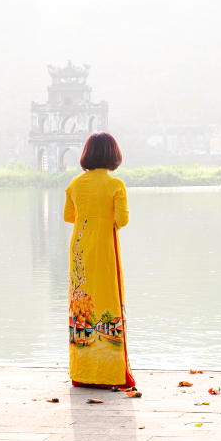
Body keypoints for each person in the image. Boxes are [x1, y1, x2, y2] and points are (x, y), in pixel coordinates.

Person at [63, 132, 135, 389]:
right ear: (113, 155)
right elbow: (123, 220)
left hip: (79, 246)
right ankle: (109, 374)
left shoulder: (75, 183)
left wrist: (88, 219)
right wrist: (104, 222)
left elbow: (68, 216)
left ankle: (83, 373)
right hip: (104, 245)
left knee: (81, 301)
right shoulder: (115, 185)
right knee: (108, 298)